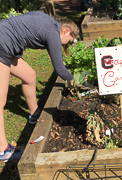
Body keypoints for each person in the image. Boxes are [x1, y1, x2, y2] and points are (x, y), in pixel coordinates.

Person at [0, 11, 79, 162]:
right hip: (1, 45)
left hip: (7, 46)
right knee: (0, 100)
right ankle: (3, 150)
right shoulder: (53, 32)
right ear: (67, 30)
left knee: (29, 76)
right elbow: (59, 68)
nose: (66, 44)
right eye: (68, 41)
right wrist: (76, 81)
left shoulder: (49, 22)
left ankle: (34, 114)